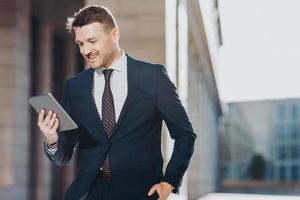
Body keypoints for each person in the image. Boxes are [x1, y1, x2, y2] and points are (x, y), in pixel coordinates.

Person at [38, 5, 196, 200]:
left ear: (114, 34)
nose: (86, 50)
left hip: (140, 193)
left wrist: (169, 181)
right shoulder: (75, 86)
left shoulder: (152, 76)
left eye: (92, 41)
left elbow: (185, 135)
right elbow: (64, 154)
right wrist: (52, 139)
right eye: (80, 44)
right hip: (89, 193)